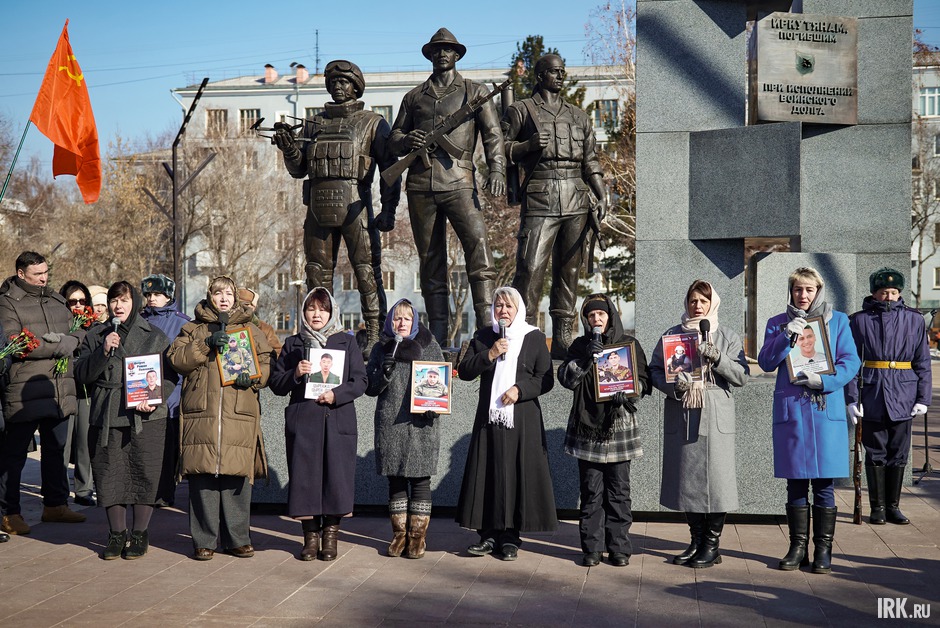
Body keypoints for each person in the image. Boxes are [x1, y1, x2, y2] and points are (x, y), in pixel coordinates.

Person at [273, 60, 400, 351]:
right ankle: (320, 336)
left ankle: (375, 335)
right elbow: (299, 168)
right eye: (333, 83)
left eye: (344, 83)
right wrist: (289, 147)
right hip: (318, 208)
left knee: (366, 271)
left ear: (356, 87)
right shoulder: (314, 123)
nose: (338, 88)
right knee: (316, 272)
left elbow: (390, 170)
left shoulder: (373, 122)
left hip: (357, 206)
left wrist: (389, 210)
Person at [389, 28, 506, 344]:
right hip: (420, 186)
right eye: (437, 49)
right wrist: (406, 139)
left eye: (448, 49)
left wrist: (497, 171)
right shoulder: (413, 97)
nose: (442, 53)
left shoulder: (475, 91)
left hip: (459, 183)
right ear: (429, 55)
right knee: (430, 262)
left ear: (457, 55)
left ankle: (487, 331)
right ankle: (438, 338)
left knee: (479, 249)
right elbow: (394, 138)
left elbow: (493, 135)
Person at [757, 267, 860, 575]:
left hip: (824, 408)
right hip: (793, 412)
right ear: (791, 292)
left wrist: (824, 381)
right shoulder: (777, 323)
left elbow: (850, 361)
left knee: (825, 483)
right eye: (798, 290)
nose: (803, 295)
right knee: (796, 483)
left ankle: (823, 550)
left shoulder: (838, 320)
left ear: (819, 291)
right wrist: (788, 335)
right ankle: (797, 547)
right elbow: (765, 362)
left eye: (809, 290)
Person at [502, 54, 606, 357]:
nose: (560, 76)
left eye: (563, 71)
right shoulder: (522, 110)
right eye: (554, 72)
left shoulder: (578, 115)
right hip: (540, 195)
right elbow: (500, 150)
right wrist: (528, 146)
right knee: (530, 268)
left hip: (576, 195)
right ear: (540, 75)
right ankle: (525, 335)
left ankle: (562, 337)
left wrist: (601, 193)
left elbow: (591, 161)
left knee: (568, 270)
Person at [167, 276, 274, 561]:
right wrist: (204, 345)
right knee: (202, 478)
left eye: (228, 293)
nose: (224, 298)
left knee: (235, 477)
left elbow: (266, 364)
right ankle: (204, 540)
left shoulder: (251, 329)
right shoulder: (192, 328)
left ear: (236, 298)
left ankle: (237, 538)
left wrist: (253, 377)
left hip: (238, 411)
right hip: (202, 411)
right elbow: (176, 360)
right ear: (209, 297)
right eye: (218, 293)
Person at [650, 281, 749, 569]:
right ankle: (695, 541)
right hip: (684, 411)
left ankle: (712, 545)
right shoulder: (672, 335)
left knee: (717, 482)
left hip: (715, 413)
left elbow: (741, 376)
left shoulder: (727, 336)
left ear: (712, 304)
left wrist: (717, 358)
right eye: (693, 300)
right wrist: (673, 388)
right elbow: (656, 370)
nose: (697, 306)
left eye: (703, 301)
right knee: (687, 480)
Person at [74, 282, 177, 559]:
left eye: (124, 300)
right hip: (106, 413)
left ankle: (140, 533)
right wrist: (103, 351)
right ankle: (117, 534)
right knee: (110, 475)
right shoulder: (97, 335)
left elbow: (169, 378)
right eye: (114, 300)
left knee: (144, 472)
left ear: (135, 302)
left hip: (146, 417)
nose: (118, 306)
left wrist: (153, 399)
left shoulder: (154, 336)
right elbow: (82, 374)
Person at [455, 286, 556, 560]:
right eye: (499, 306)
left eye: (509, 306)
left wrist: (520, 390)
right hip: (490, 418)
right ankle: (488, 535)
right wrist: (489, 354)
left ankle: (510, 537)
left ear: (519, 309)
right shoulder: (485, 336)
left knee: (515, 474)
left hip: (522, 419)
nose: (503, 311)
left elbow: (545, 378)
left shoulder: (533, 337)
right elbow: (464, 371)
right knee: (488, 473)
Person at [270, 287, 366, 561]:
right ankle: (310, 538)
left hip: (337, 419)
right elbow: (277, 384)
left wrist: (337, 394)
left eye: (322, 309)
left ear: (332, 312)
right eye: (311, 309)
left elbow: (360, 381)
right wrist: (295, 374)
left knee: (337, 478)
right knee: (305, 479)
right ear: (304, 312)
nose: (316, 314)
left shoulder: (346, 342)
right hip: (305, 421)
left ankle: (331, 537)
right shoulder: (293, 343)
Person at [559, 294, 650, 567]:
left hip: (619, 425)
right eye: (590, 315)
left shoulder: (629, 345)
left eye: (600, 314)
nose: (596, 319)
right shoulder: (579, 345)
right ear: (586, 320)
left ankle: (619, 547)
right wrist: (586, 359)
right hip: (587, 427)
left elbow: (645, 380)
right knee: (591, 491)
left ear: (610, 315)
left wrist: (631, 394)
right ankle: (592, 548)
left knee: (619, 490)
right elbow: (567, 379)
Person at [0, 251, 87, 536]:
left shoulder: (56, 299)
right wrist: (61, 346)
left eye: (46, 272)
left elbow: (79, 330)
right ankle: (8, 512)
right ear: (21, 274)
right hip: (24, 389)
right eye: (38, 274)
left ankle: (55, 504)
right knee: (14, 457)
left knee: (56, 450)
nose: (44, 277)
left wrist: (73, 339)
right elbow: (17, 344)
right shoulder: (7, 302)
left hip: (58, 387)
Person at [846, 268, 931, 525]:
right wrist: (851, 398)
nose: (889, 297)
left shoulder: (914, 320)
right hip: (872, 391)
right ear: (874, 293)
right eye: (884, 292)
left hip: (904, 391)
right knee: (874, 452)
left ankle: (893, 506)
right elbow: (850, 363)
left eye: (894, 292)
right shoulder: (859, 320)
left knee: (898, 452)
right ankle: (877, 507)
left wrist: (923, 398)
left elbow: (923, 361)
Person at [366, 299, 443, 559]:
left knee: (421, 479)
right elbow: (370, 387)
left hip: (422, 422)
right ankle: (399, 536)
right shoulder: (381, 348)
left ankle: (417, 539)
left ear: (415, 321)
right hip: (391, 421)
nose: (401, 323)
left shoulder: (429, 345)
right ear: (390, 322)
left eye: (406, 318)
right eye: (397, 318)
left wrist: (436, 404)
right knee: (395, 477)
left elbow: (442, 382)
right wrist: (383, 374)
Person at [140, 273, 191, 508]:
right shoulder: (139, 319)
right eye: (148, 294)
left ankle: (164, 493)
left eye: (157, 294)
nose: (152, 299)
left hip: (171, 395)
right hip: (141, 392)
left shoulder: (182, 323)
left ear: (168, 296)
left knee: (167, 449)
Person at [59, 279, 96, 507]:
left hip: (85, 391)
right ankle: (59, 490)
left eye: (82, 301)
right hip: (64, 389)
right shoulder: (60, 324)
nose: (78, 305)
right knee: (62, 444)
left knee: (84, 442)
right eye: (73, 301)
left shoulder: (92, 327)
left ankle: (84, 489)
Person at [237, 287, 283, 356]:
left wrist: (262, 363)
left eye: (246, 304)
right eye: (238, 304)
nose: (241, 308)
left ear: (253, 307)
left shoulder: (265, 329)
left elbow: (278, 352)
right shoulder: (225, 324)